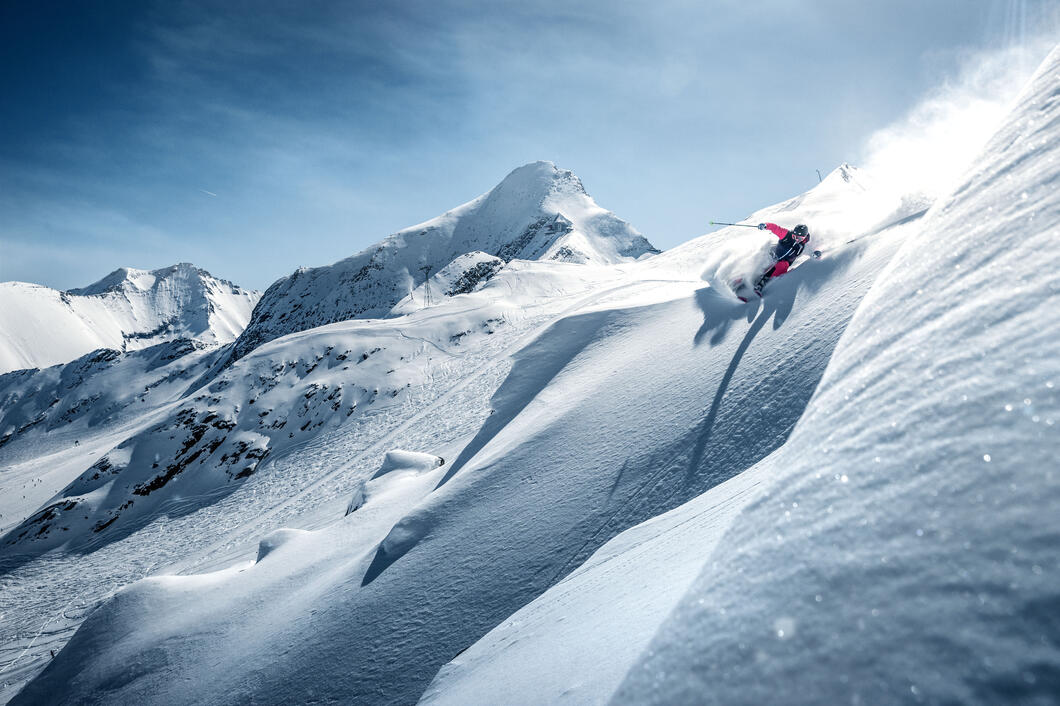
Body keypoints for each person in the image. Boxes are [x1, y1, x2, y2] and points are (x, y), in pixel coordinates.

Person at [753, 222, 811, 295]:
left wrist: (816, 253)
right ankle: (744, 279)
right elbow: (776, 228)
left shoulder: (804, 245)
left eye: (799, 238)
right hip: (773, 256)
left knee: (782, 265)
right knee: (763, 263)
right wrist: (766, 226)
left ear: (804, 237)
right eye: (794, 236)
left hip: (782, 264)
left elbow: (812, 250)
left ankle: (762, 284)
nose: (796, 239)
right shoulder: (787, 235)